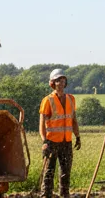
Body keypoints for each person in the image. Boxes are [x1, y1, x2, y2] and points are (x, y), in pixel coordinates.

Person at [39, 68, 81, 198]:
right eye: (58, 80)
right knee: (49, 173)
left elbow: (73, 120)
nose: (61, 83)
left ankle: (65, 195)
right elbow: (42, 124)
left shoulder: (71, 99)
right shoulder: (47, 100)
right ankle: (46, 195)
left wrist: (78, 136)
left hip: (66, 143)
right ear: (53, 83)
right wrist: (45, 141)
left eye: (63, 80)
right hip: (51, 143)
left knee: (65, 173)